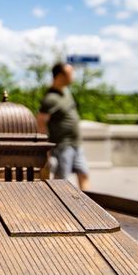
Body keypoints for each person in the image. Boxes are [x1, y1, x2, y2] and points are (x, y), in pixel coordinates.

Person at [37, 62, 90, 190]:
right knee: (60, 182)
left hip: (76, 143)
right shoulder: (50, 98)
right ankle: (58, 208)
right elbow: (40, 123)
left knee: (83, 174)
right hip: (62, 146)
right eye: (70, 73)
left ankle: (88, 207)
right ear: (60, 75)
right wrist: (45, 150)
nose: (73, 76)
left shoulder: (66, 92)